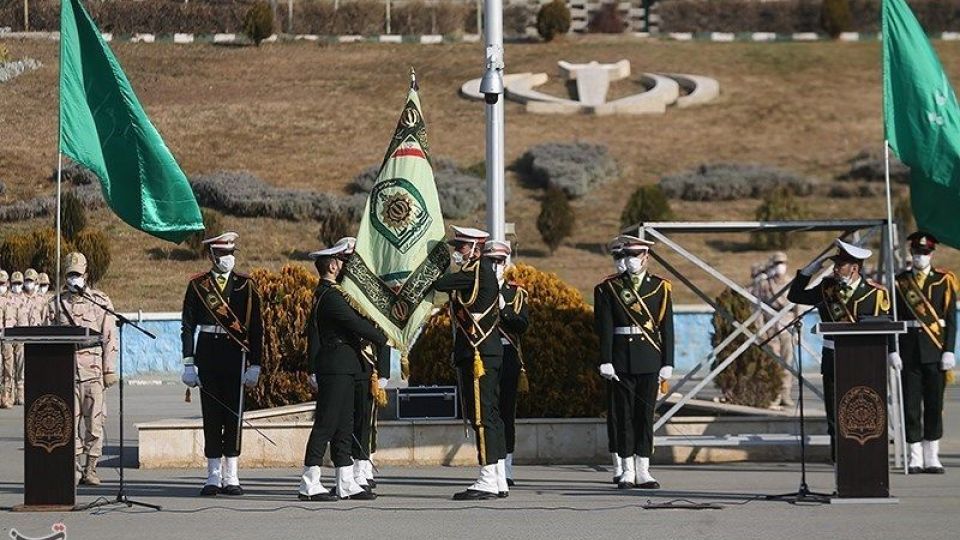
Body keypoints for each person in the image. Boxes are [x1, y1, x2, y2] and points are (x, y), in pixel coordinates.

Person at [787, 239, 891, 461]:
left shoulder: (876, 294)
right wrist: (808, 271)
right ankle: (839, 459)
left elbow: (883, 327)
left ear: (855, 267)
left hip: (863, 360)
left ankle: (864, 455)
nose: (835, 268)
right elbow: (795, 296)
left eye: (840, 264)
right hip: (833, 356)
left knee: (863, 406)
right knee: (835, 411)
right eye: (835, 263)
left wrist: (890, 354)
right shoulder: (827, 288)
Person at [180, 232, 264, 496]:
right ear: (212, 255)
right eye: (223, 254)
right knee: (212, 415)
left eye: (231, 253)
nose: (228, 258)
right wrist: (188, 364)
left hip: (235, 355)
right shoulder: (198, 285)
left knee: (234, 415)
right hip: (207, 354)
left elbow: (257, 328)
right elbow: (187, 327)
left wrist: (256, 364)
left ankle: (232, 475)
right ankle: (213, 475)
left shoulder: (245, 285)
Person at [299, 240, 383, 502]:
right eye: (343, 262)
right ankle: (309, 482)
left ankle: (345, 481)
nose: (345, 266)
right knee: (326, 423)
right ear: (333, 265)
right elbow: (354, 323)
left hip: (346, 365)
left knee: (345, 426)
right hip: (334, 366)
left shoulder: (332, 293)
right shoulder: (330, 296)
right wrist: (384, 335)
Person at [594, 234, 674, 490]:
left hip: (649, 358)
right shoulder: (611, 287)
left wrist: (667, 361)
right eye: (625, 255)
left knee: (645, 416)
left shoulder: (661, 287)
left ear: (646, 257)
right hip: (621, 359)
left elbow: (667, 327)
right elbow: (605, 328)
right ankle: (626, 469)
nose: (629, 261)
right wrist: (605, 360)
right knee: (624, 415)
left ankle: (644, 470)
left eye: (634, 256)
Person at [434, 226, 507, 501]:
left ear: (476, 248)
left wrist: (435, 265)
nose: (457, 251)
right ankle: (498, 476)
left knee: (482, 417)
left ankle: (488, 478)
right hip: (488, 353)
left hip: (478, 354)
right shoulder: (480, 272)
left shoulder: (476, 273)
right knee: (492, 416)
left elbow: (441, 284)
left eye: (462, 247)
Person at [45, 252, 119, 485]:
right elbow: (45, 338)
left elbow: (110, 337)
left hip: (93, 371)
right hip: (66, 372)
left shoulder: (101, 301)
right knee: (68, 422)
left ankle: (91, 468)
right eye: (70, 274)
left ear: (86, 274)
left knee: (95, 423)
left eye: (77, 274)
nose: (73, 278)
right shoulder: (55, 304)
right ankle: (75, 467)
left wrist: (109, 369)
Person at [891, 232, 956, 474]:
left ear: (932, 254)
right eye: (917, 253)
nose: (921, 257)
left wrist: (949, 350)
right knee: (910, 405)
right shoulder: (900, 282)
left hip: (935, 351)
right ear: (911, 254)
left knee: (933, 404)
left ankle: (932, 456)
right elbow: (892, 318)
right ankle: (915, 456)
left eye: (925, 253)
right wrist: (892, 349)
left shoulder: (944, 280)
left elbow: (951, 320)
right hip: (909, 352)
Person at [332, 236, 390, 493]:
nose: (349, 265)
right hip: (344, 360)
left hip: (368, 361)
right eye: (345, 260)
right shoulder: (336, 290)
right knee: (346, 418)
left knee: (366, 418)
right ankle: (350, 471)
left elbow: (384, 330)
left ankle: (362, 467)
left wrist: (385, 370)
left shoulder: (371, 290)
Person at [484, 240, 530, 487]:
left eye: (499, 261)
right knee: (487, 413)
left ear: (506, 263)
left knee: (506, 414)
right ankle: (492, 465)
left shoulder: (516, 293)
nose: (494, 266)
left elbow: (522, 325)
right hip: (484, 359)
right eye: (490, 260)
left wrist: (504, 309)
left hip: (508, 357)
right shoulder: (476, 290)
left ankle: (507, 467)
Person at [757, 252, 797, 408]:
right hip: (770, 326)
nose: (780, 266)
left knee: (787, 362)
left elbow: (797, 306)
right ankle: (774, 394)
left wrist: (798, 329)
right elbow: (759, 308)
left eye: (782, 263)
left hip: (787, 325)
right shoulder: (765, 284)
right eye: (777, 263)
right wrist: (761, 329)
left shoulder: (791, 282)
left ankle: (785, 393)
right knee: (774, 362)